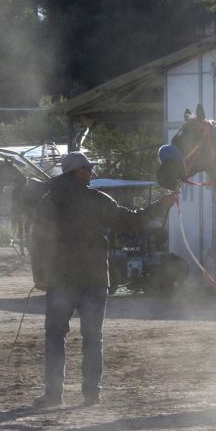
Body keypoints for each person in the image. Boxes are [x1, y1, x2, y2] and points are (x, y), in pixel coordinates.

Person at [29, 151, 149, 408]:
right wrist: (164, 205)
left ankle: (53, 395)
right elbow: (131, 222)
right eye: (88, 168)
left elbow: (37, 238)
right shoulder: (98, 200)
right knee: (93, 338)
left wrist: (38, 272)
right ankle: (91, 395)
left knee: (54, 336)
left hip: (61, 277)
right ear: (78, 172)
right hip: (94, 277)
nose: (92, 173)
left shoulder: (49, 201)